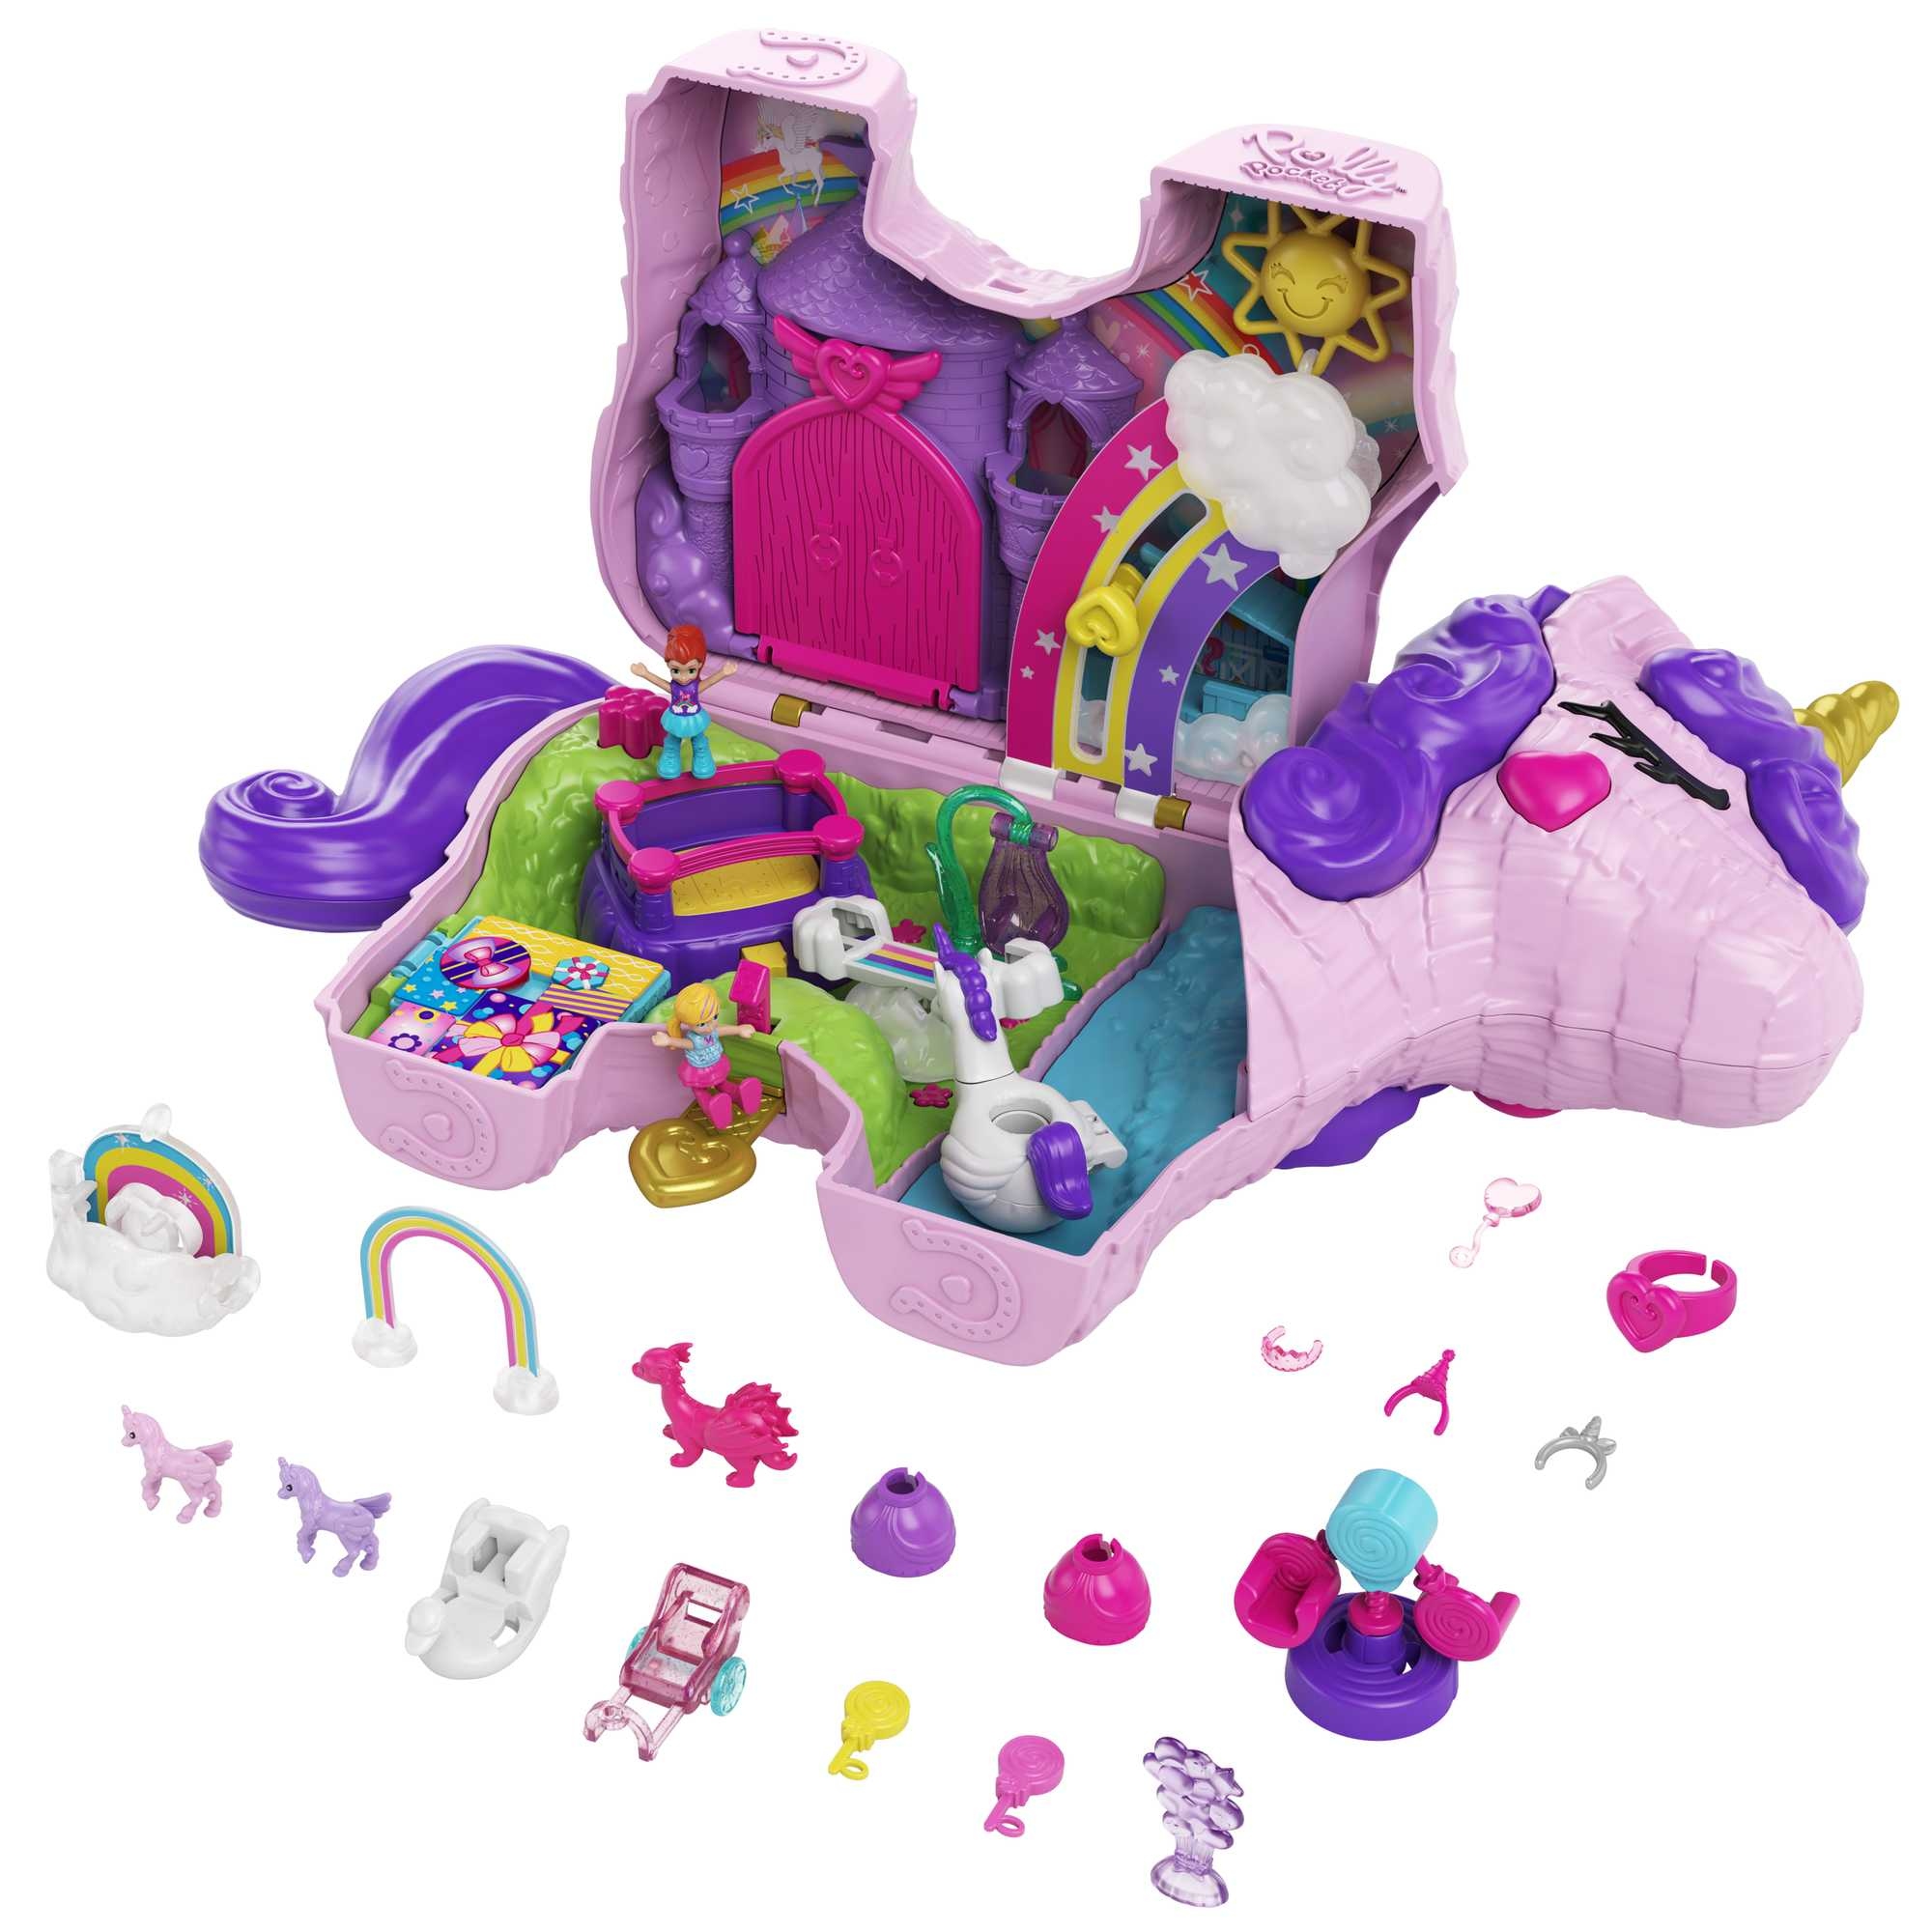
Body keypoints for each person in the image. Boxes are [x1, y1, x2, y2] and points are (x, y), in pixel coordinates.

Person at [630, 624, 738, 780]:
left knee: (699, 739)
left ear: (699, 665)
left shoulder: (695, 686)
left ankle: (702, 756)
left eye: (691, 670)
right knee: (673, 739)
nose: (683, 677)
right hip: (676, 716)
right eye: (676, 671)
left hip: (694, 716)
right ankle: (671, 755)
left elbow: (709, 682)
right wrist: (645, 674)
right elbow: (661, 683)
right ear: (668, 666)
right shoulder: (674, 687)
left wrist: (723, 673)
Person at [649, 983, 763, 1128]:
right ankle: (714, 1109)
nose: (710, 1026)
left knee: (720, 1084)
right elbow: (684, 1043)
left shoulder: (712, 1031)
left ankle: (740, 1096)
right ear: (687, 1023)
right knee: (701, 1091)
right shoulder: (694, 1040)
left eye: (714, 1017)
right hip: (699, 1071)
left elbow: (722, 1030)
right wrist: (669, 1041)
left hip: (715, 1064)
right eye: (702, 1024)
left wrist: (739, 1029)